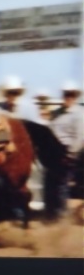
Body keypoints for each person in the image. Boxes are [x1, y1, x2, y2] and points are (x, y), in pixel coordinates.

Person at [45, 80, 84, 221]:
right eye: (67, 94)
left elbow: (80, 137)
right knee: (50, 187)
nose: (69, 97)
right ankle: (50, 217)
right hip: (52, 154)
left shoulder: (80, 114)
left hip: (67, 154)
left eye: (71, 94)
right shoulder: (56, 113)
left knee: (61, 188)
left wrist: (70, 155)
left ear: (76, 96)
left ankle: (61, 220)